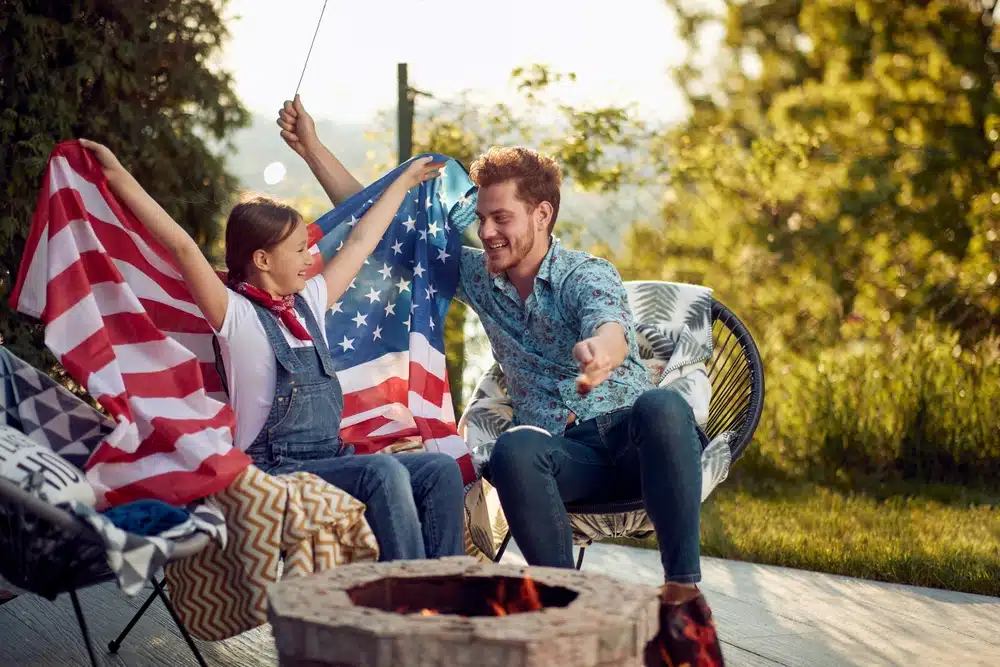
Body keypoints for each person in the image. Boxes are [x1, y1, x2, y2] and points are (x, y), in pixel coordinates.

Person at [278, 97, 724, 664]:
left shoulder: (584, 274)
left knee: (663, 405)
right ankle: (562, 611)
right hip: (566, 458)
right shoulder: (482, 277)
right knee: (514, 446)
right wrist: (312, 147)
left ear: (542, 216)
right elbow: (385, 229)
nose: (486, 232)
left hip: (634, 443)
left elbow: (609, 325)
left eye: (501, 218)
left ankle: (682, 591)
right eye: (482, 218)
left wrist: (603, 354)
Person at [77, 134, 467, 563]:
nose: (308, 258)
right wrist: (116, 174)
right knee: (383, 470)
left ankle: (444, 587)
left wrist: (405, 180)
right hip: (272, 468)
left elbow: (360, 242)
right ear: (262, 260)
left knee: (439, 469)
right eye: (299, 250)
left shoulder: (309, 303)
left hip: (330, 458)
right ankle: (407, 597)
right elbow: (183, 248)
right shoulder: (237, 317)